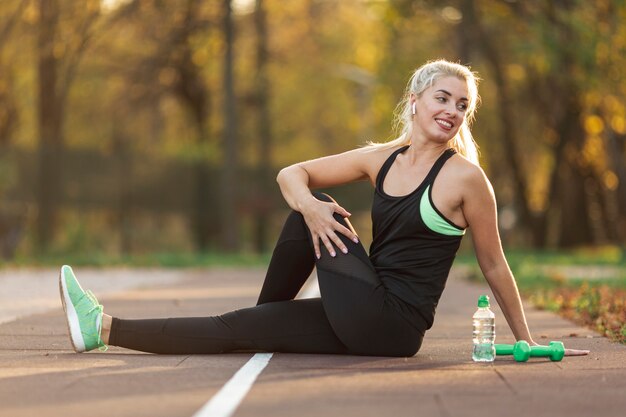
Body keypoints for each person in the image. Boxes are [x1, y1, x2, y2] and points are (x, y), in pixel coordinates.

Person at [59, 59, 589, 357]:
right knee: (240, 314)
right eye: (442, 98)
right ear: (415, 101)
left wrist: (526, 338)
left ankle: (263, 316)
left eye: (461, 105)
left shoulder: (466, 179)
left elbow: (494, 264)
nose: (451, 111)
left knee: (316, 211)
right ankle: (103, 328)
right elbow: (292, 174)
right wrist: (311, 207)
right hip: (364, 308)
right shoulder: (381, 159)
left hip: (394, 323)